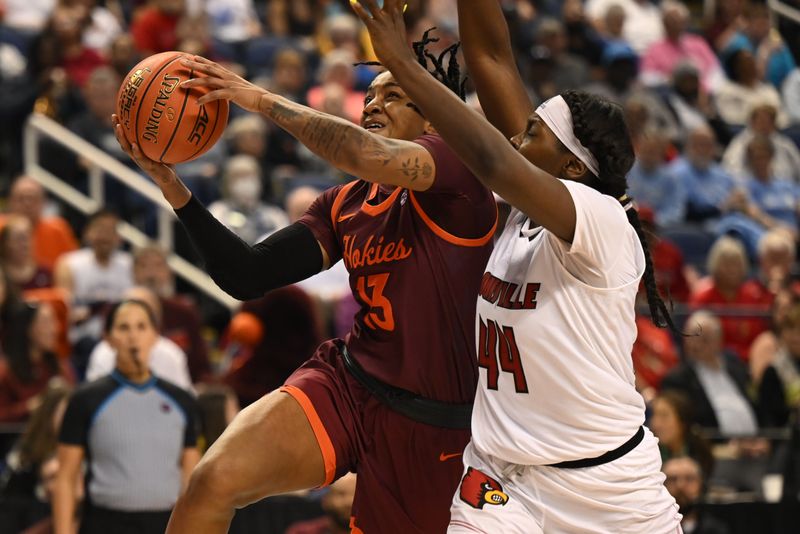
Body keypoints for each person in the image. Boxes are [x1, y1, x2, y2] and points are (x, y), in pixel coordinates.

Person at [114, 30, 497, 534]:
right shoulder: (345, 204)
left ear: (433, 116)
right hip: (350, 385)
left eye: (394, 95)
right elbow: (247, 275)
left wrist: (261, 99)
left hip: (435, 424)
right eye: (372, 95)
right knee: (212, 481)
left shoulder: (458, 169)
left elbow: (365, 153)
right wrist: (170, 183)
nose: (374, 103)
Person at [351, 0, 680, 531]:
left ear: (571, 166)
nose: (516, 138)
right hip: (504, 483)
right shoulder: (530, 207)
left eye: (531, 134)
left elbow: (494, 161)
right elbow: (492, 56)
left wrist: (407, 68)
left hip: (610, 488)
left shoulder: (600, 221)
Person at [52, 299, 201, 534]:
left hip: (166, 524)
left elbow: (191, 481)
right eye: (123, 327)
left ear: (155, 336)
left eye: (141, 327)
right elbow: (65, 478)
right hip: (104, 524)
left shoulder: (182, 401)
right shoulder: (85, 400)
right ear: (108, 339)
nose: (133, 336)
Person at [661, 310, 759, 436]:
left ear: (719, 341)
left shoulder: (736, 368)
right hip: (716, 447)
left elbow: (757, 404)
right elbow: (688, 426)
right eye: (690, 338)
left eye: (704, 339)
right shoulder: (678, 379)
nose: (696, 345)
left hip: (757, 441)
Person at [0, 176, 79, 272]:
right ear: (10, 202)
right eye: (21, 199)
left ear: (44, 202)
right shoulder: (2, 228)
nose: (27, 204)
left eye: (32, 198)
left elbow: (74, 266)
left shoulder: (58, 228)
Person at [649, 391, 715, 478]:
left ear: (683, 422)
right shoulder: (648, 452)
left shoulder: (700, 450)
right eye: (654, 415)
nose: (655, 424)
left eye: (664, 416)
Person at [662, 457, 731, 534]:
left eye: (689, 479)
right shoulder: (654, 528)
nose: (680, 485)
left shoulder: (716, 529)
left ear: (701, 484)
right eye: (672, 479)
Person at [285, 473, 357, 534]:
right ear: (326, 500)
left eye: (356, 496)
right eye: (341, 494)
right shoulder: (301, 532)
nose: (349, 502)